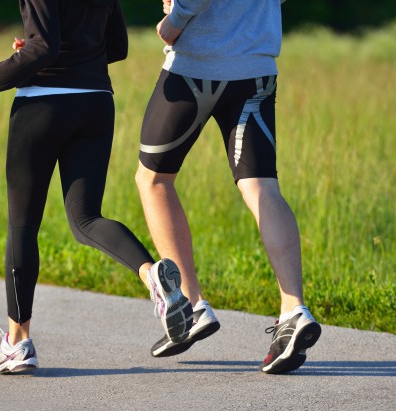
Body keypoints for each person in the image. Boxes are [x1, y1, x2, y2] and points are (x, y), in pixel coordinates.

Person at [0, 0, 193, 374]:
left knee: (22, 226)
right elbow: (117, 46)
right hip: (96, 104)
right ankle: (152, 276)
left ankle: (17, 342)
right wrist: (70, 53)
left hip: (42, 106)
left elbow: (44, 49)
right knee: (86, 218)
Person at [134, 0, 321, 374]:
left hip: (197, 66)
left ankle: (190, 304)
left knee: (153, 179)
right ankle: (293, 310)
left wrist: (177, 18)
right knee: (262, 186)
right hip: (256, 65)